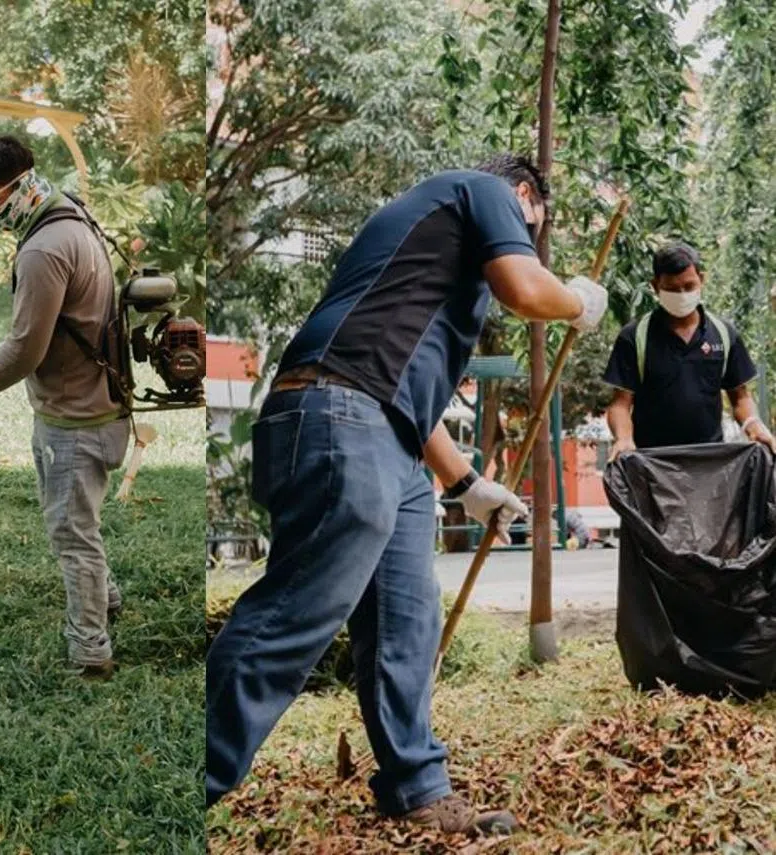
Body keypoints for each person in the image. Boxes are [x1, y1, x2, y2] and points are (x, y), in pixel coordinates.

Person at [206, 154, 609, 835]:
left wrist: (467, 483)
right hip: (338, 414)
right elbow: (523, 288)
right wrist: (577, 301)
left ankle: (415, 786)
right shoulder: (482, 192)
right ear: (523, 196)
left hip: (383, 429)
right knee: (294, 616)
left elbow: (406, 395)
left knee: (406, 618)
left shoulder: (428, 253)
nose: (525, 239)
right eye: (530, 227)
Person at [0, 134, 130, 680]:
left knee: (72, 533)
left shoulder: (45, 248)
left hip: (75, 419)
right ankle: (107, 599)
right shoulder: (72, 216)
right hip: (101, 403)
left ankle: (90, 651)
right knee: (82, 521)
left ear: (21, 186)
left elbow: (25, 349)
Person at [603, 242, 776, 460]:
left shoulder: (723, 334)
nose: (682, 294)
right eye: (672, 289)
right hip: (653, 464)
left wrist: (754, 424)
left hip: (709, 463)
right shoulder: (635, 336)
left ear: (701, 280)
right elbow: (621, 402)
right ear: (656, 286)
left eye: (689, 286)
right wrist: (624, 438)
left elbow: (740, 397)